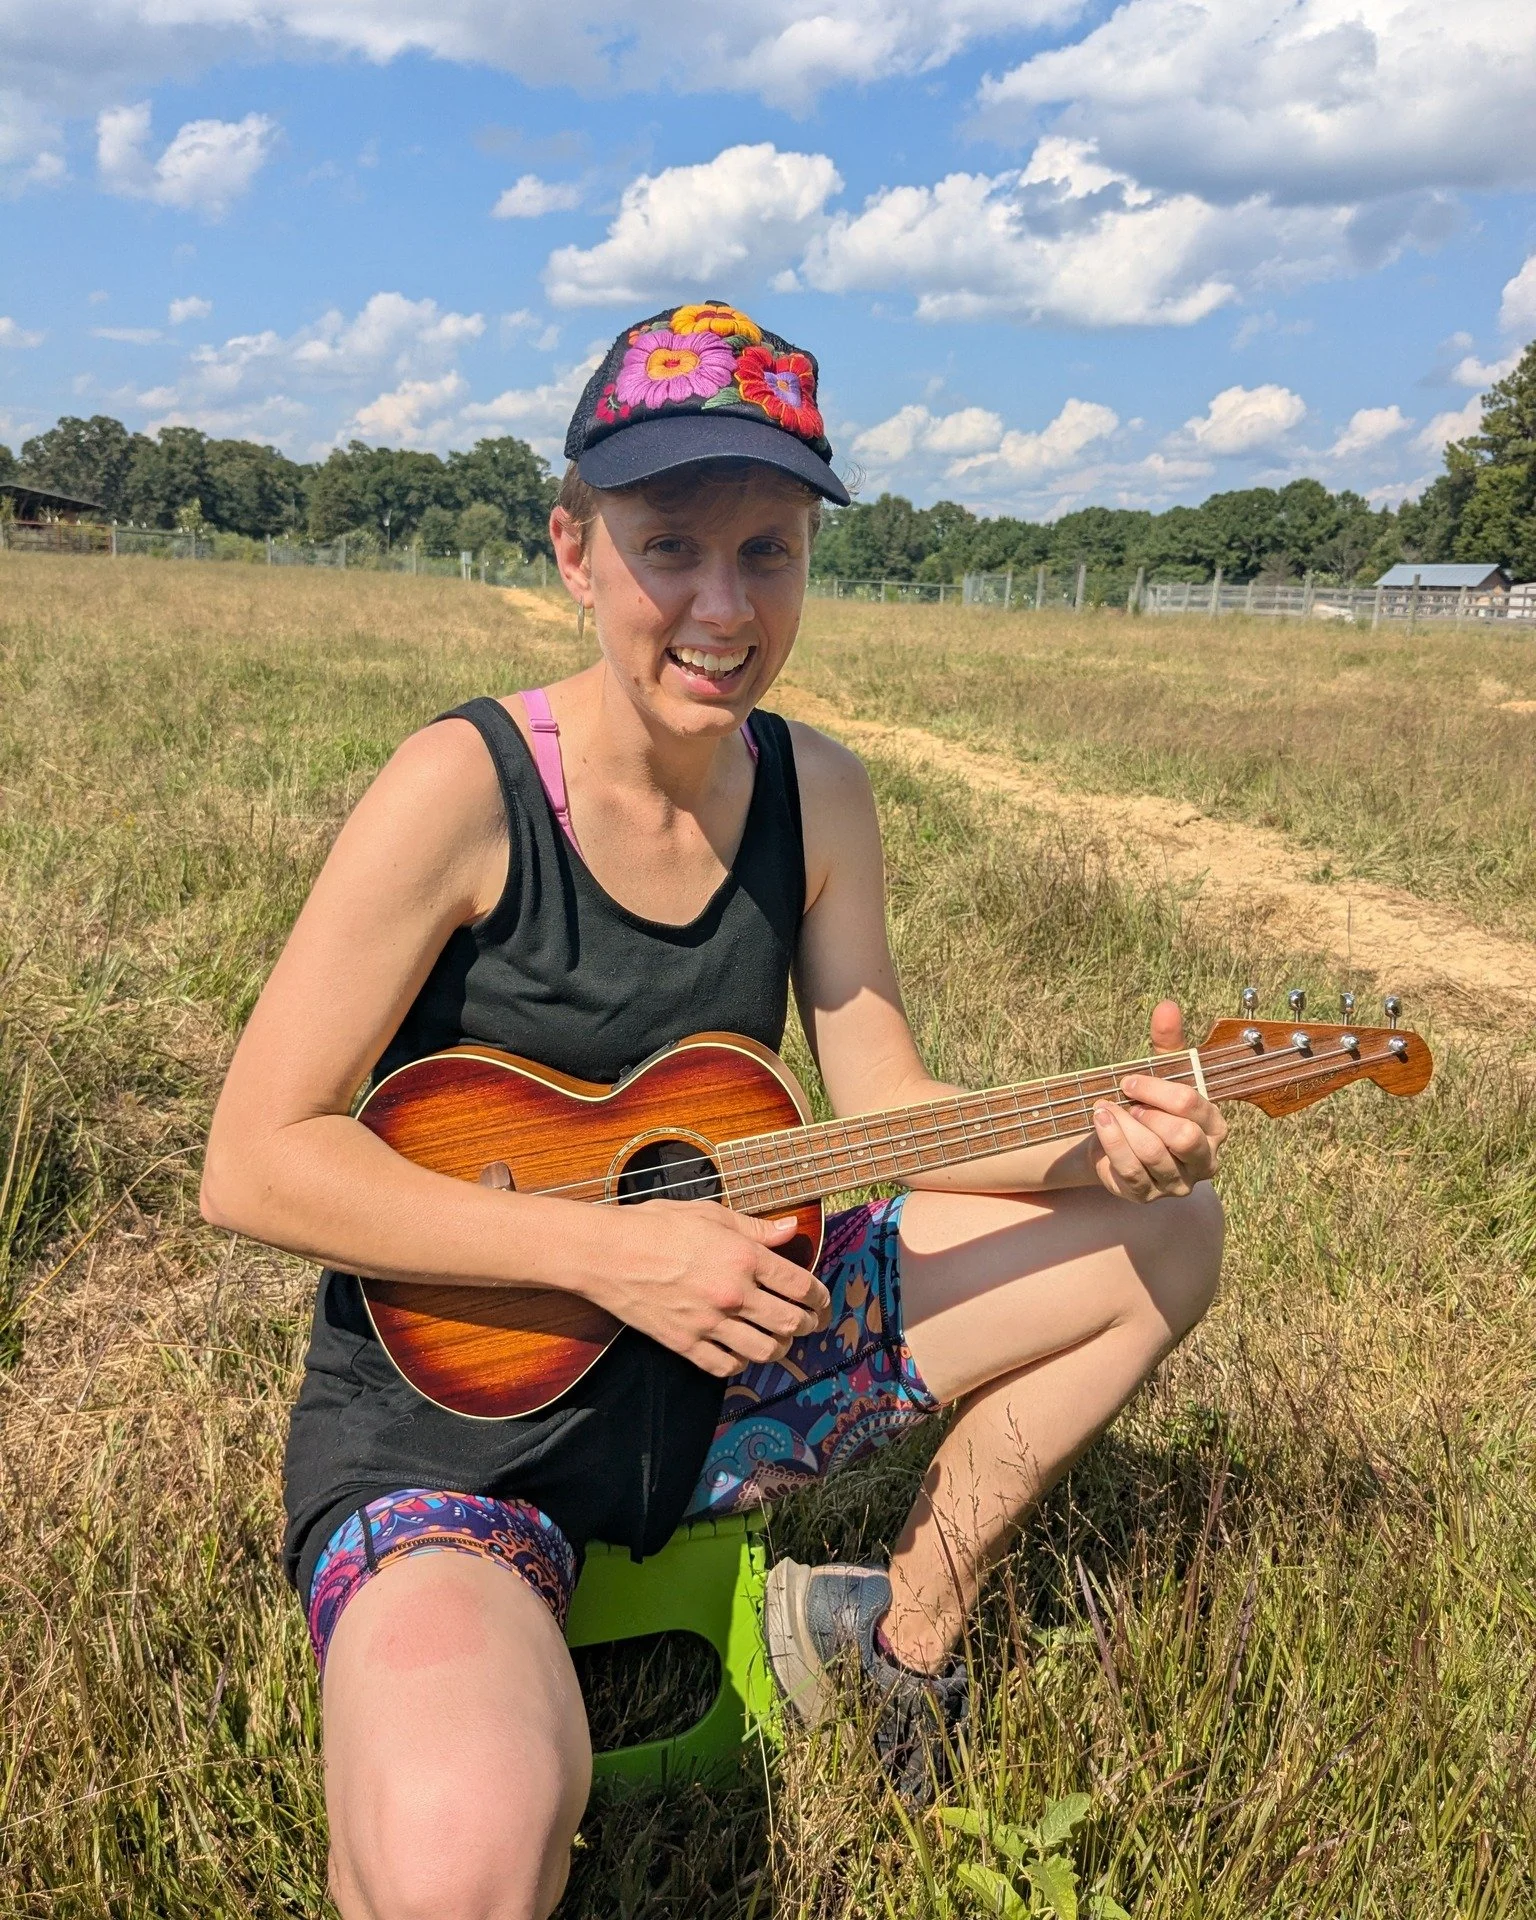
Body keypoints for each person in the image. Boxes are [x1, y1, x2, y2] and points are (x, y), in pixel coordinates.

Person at [201, 300, 1225, 1920]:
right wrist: (614, 1257)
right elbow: (254, 1162)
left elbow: (888, 1105)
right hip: (460, 1440)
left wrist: (1101, 1138)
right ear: (574, 549)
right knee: (462, 1853)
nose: (723, 607)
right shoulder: (463, 790)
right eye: (669, 546)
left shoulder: (817, 793)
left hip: (728, 1372)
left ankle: (899, 1635)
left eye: (769, 552)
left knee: (1165, 1231)